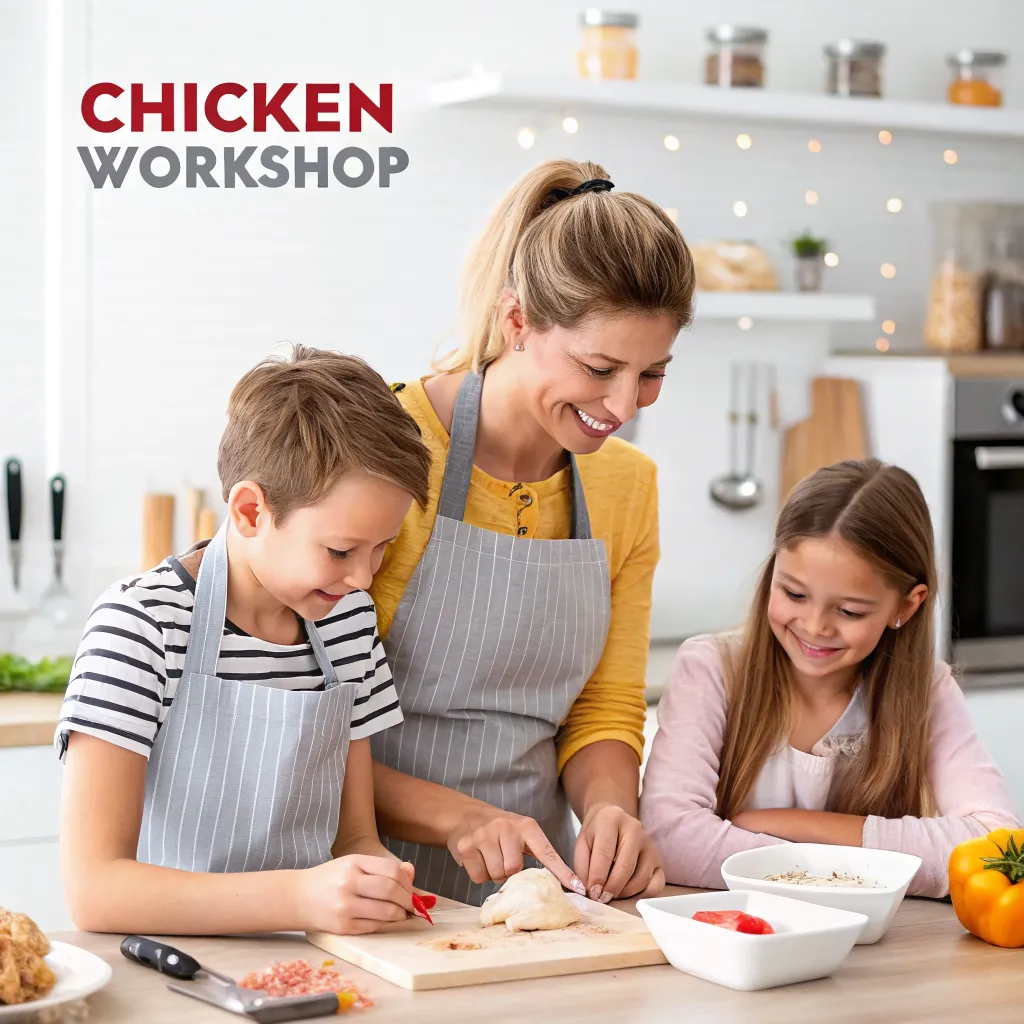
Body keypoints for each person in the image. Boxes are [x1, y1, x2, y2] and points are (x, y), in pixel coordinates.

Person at [368, 159, 696, 905]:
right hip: (359, 881)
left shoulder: (627, 486)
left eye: (652, 374)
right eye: (600, 367)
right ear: (516, 321)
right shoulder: (381, 449)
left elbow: (603, 704)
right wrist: (459, 818)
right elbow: (309, 718)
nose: (624, 407)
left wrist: (610, 810)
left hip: (529, 890)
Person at [57, 346, 434, 935]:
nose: (364, 578)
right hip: (169, 964)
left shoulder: (349, 622)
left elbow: (354, 837)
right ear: (252, 511)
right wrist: (299, 898)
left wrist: (378, 882)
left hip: (316, 962)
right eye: (340, 551)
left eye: (381, 547)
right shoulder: (141, 624)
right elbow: (95, 890)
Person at [640, 459, 1021, 897]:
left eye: (849, 611)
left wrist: (792, 825)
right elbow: (670, 839)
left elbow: (997, 847)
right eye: (794, 593)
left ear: (906, 606)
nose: (815, 626)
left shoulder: (928, 691)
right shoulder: (711, 669)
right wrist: (867, 865)